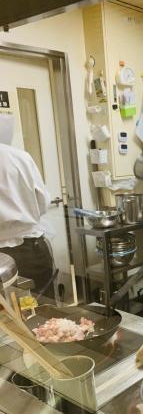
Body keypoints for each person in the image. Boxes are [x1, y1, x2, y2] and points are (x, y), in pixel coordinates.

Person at [0, 113, 55, 298]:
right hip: (31, 250)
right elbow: (43, 202)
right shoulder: (20, 157)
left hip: (3, 257)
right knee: (44, 309)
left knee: (7, 313)